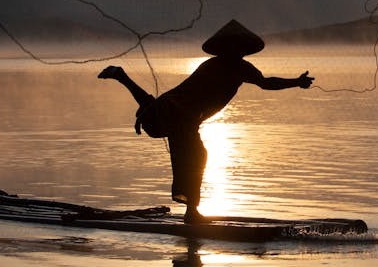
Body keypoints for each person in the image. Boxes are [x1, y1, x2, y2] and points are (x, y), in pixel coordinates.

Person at [98, 19, 313, 223]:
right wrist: (148, 111)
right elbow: (179, 92)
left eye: (239, 48)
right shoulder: (212, 66)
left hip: (186, 118)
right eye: (232, 47)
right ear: (225, 48)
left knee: (195, 153)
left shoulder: (243, 67)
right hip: (178, 113)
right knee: (197, 154)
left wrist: (296, 82)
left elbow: (267, 83)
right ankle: (192, 213)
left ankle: (122, 77)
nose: (236, 51)